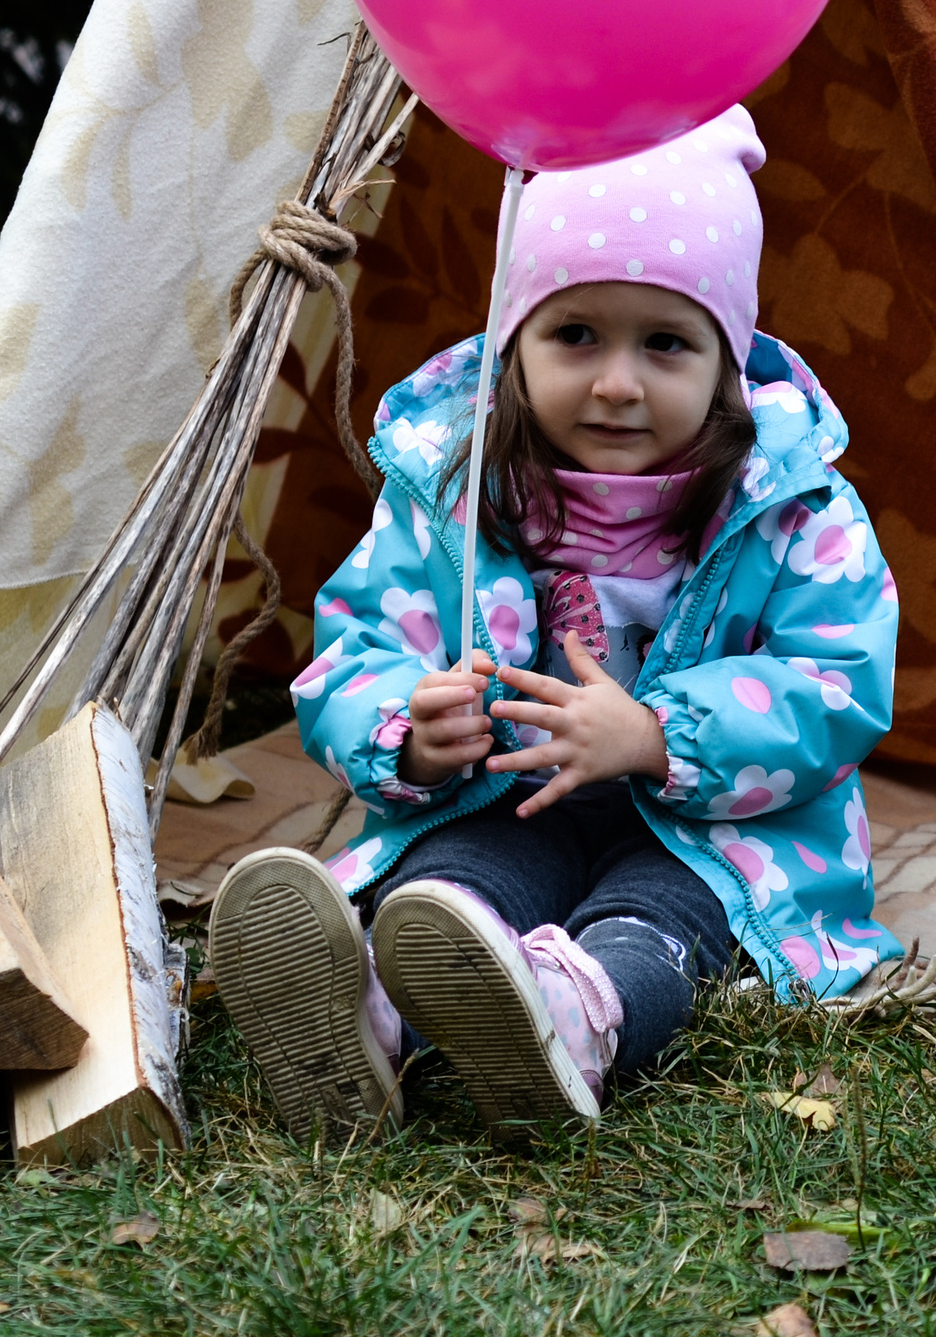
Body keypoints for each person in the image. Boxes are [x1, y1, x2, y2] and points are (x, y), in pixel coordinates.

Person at [207, 106, 899, 1138]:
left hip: (713, 832)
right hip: (510, 800)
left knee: (653, 921)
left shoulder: (789, 505)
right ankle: (369, 1012)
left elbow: (836, 679)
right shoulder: (456, 486)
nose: (616, 382)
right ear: (514, 343)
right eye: (576, 334)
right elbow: (360, 645)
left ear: (727, 360)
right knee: (448, 893)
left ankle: (574, 1019)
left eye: (665, 343)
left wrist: (664, 736)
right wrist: (410, 727)